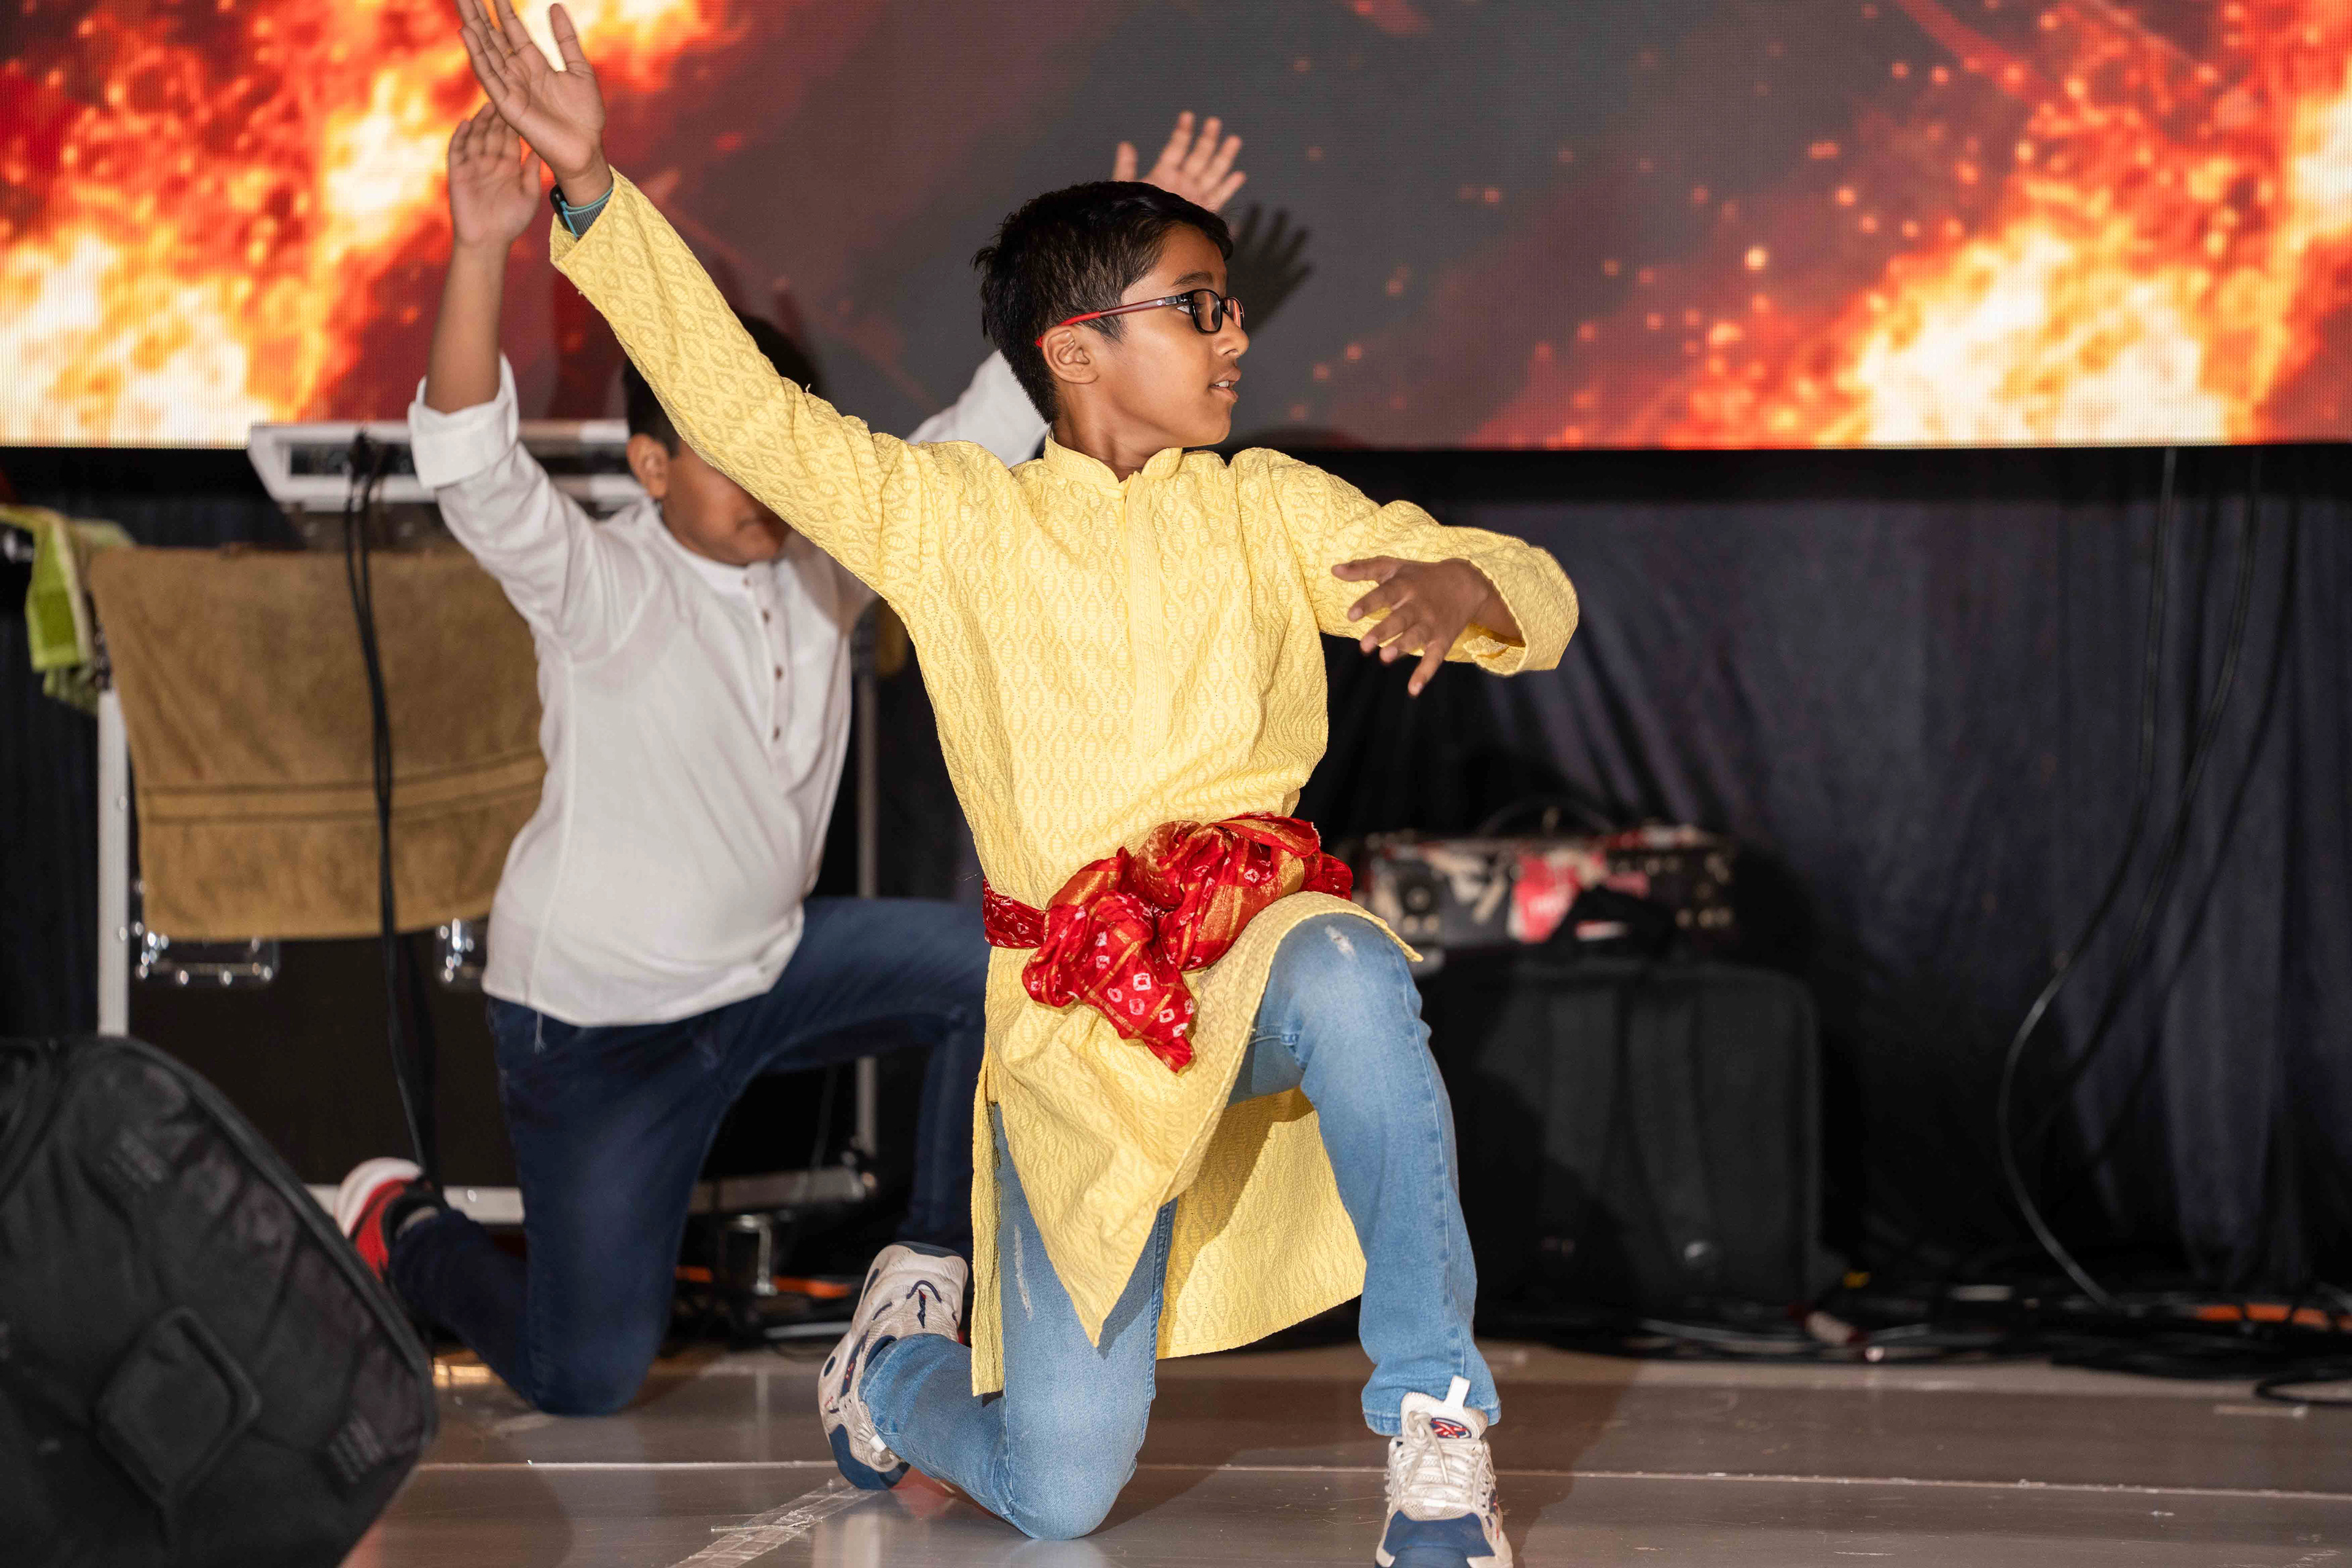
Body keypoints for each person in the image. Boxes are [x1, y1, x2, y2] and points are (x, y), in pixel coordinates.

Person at [458, 4, 1578, 1563]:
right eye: (1200, 308)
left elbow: (1522, 580)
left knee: (1349, 964)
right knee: (1057, 1491)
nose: (1236, 338)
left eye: (1233, 308)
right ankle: (890, 1373)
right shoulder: (955, 521)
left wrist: (1473, 583)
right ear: (1077, 347)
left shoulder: (1263, 505)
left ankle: (1438, 1432)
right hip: (1077, 1037)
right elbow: (747, 415)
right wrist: (592, 190)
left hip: (1250, 960)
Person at [333, 88, 1254, 1419]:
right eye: (723, 451)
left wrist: (1113, 289)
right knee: (585, 1374)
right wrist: (482, 245)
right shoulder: (601, 582)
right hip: (601, 1024)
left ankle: (925, 1273)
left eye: (772, 444)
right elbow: (472, 466)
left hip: (773, 965)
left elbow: (977, 431)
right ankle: (406, 1229)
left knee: (1013, 966)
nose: (764, 479)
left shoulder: (830, 555)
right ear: (651, 466)